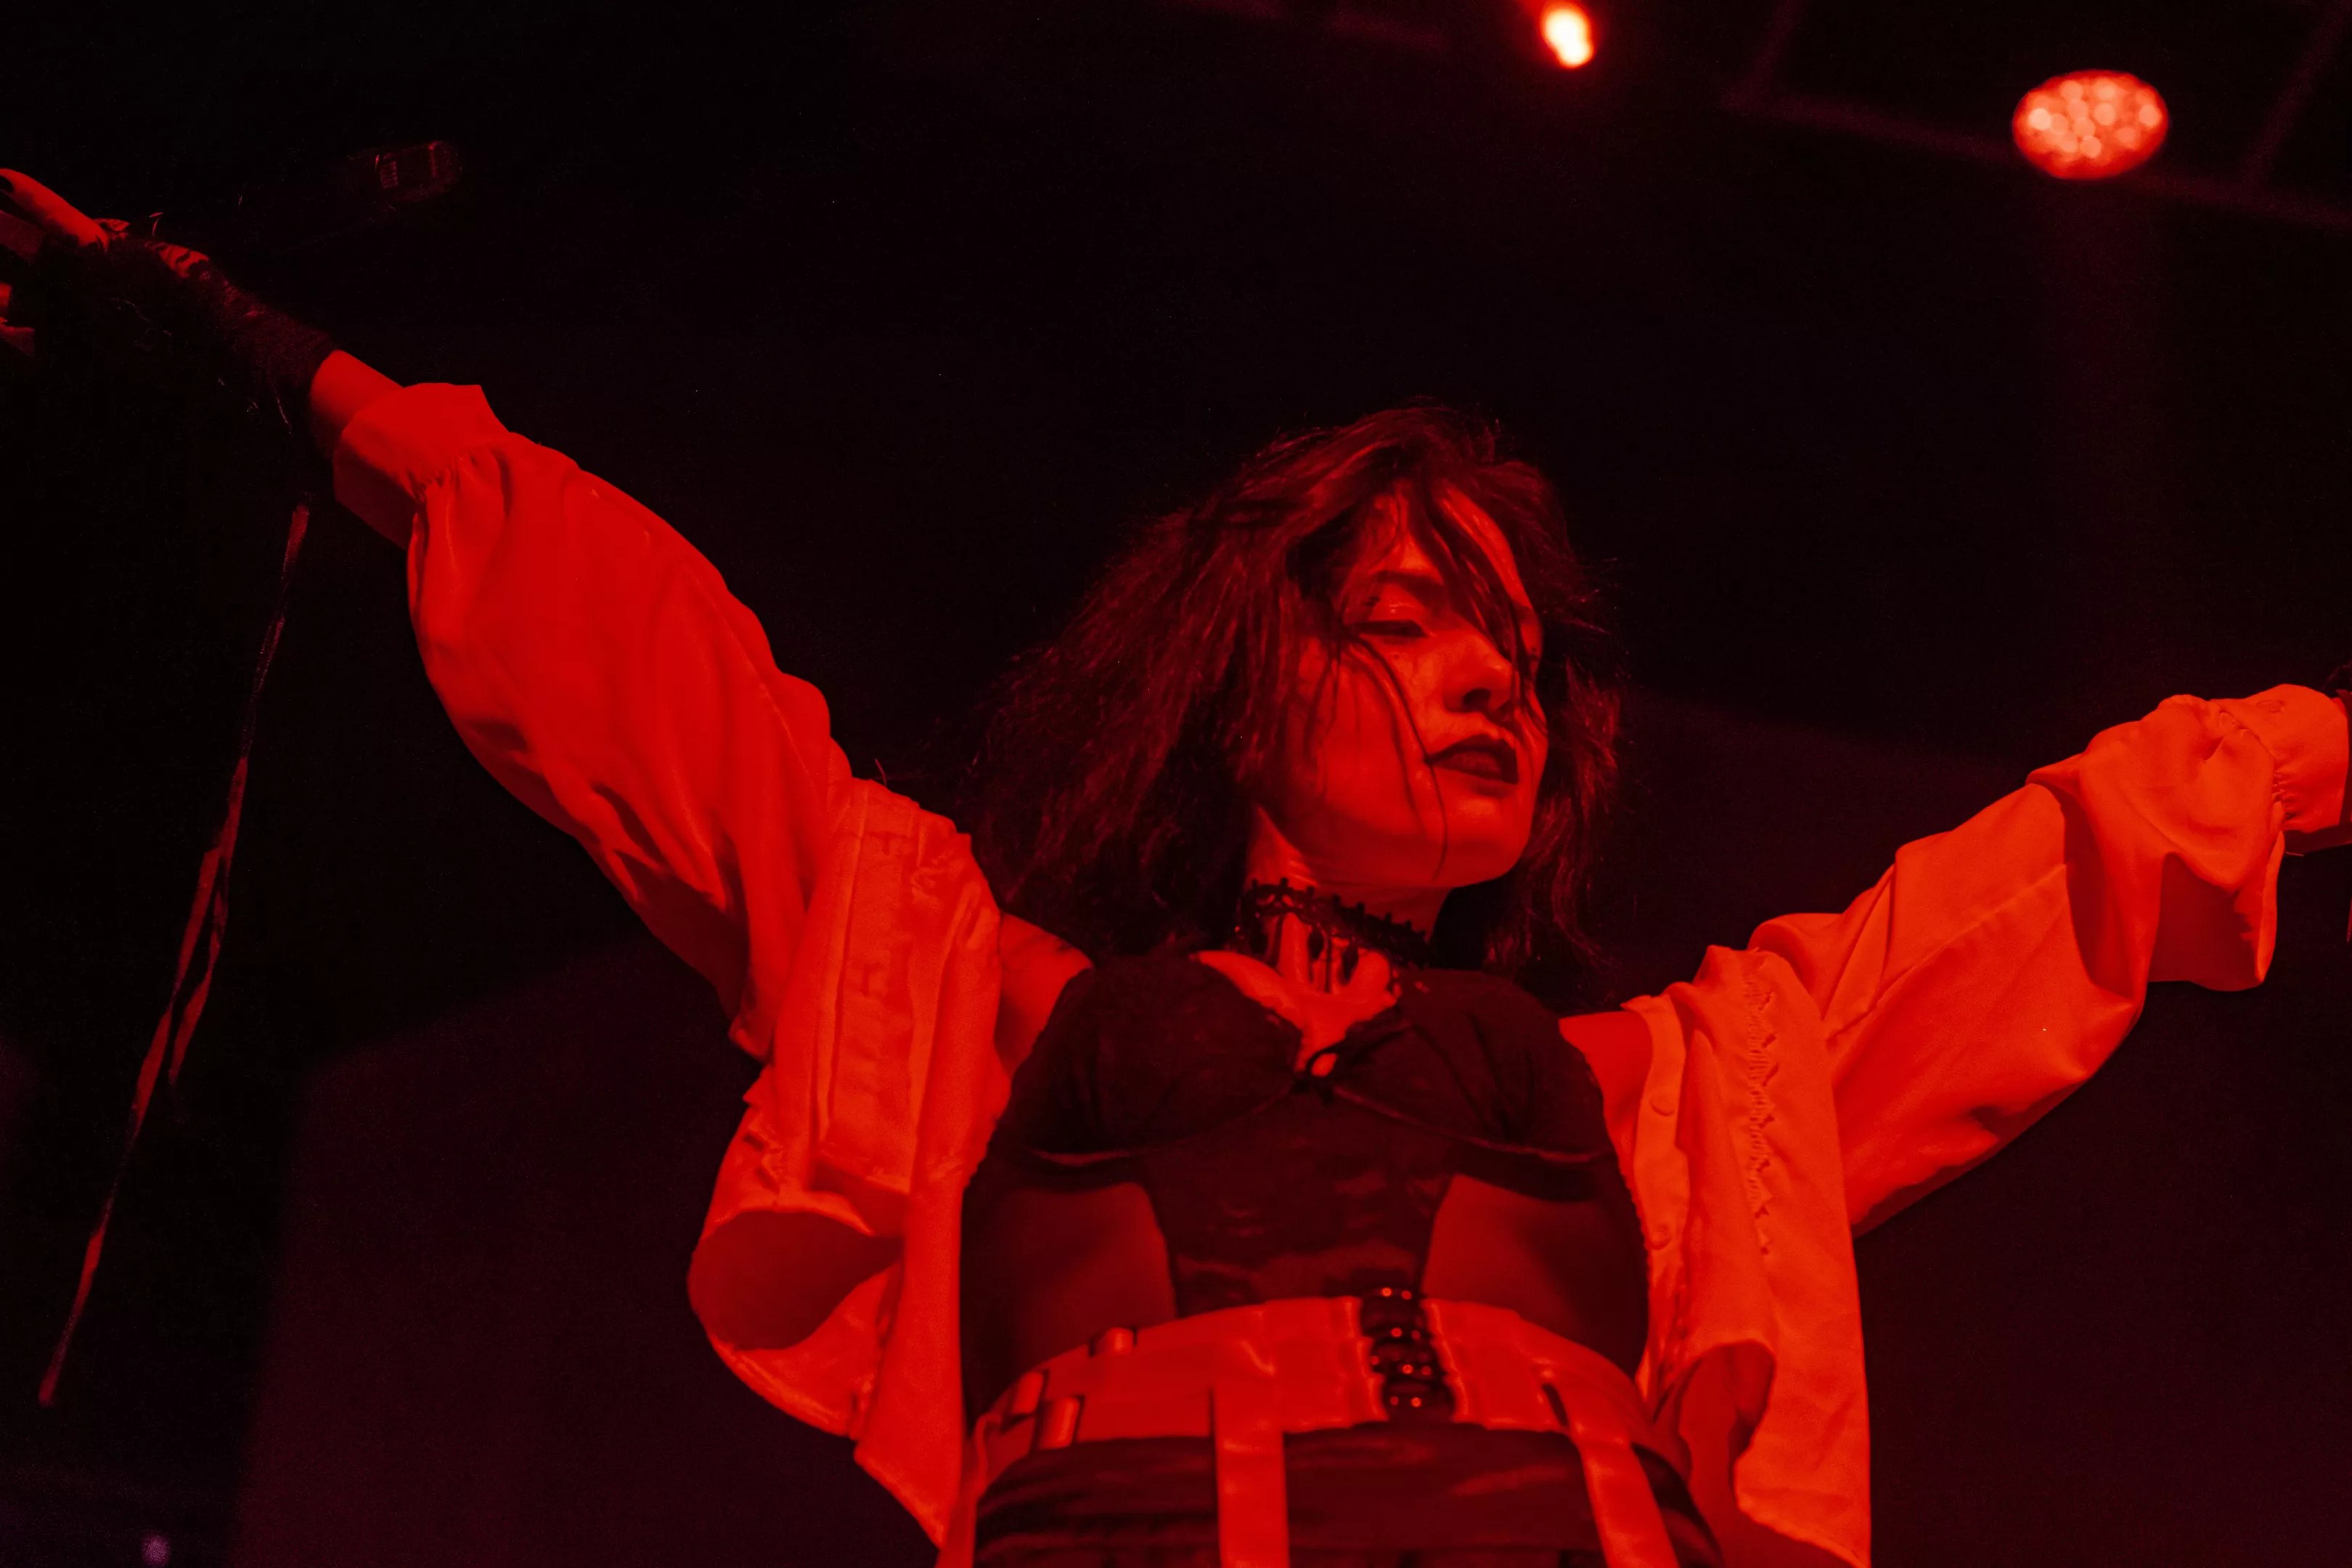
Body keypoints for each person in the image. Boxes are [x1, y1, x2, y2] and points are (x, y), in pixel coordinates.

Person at [5, 172, 2346, 1568]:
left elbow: (2048, 882)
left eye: (1524, 655)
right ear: (1247, 677)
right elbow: (646, 677)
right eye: (1412, 619)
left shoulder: (1666, 1083)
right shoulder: (974, 991)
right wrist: (254, 348)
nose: (1495, 681)